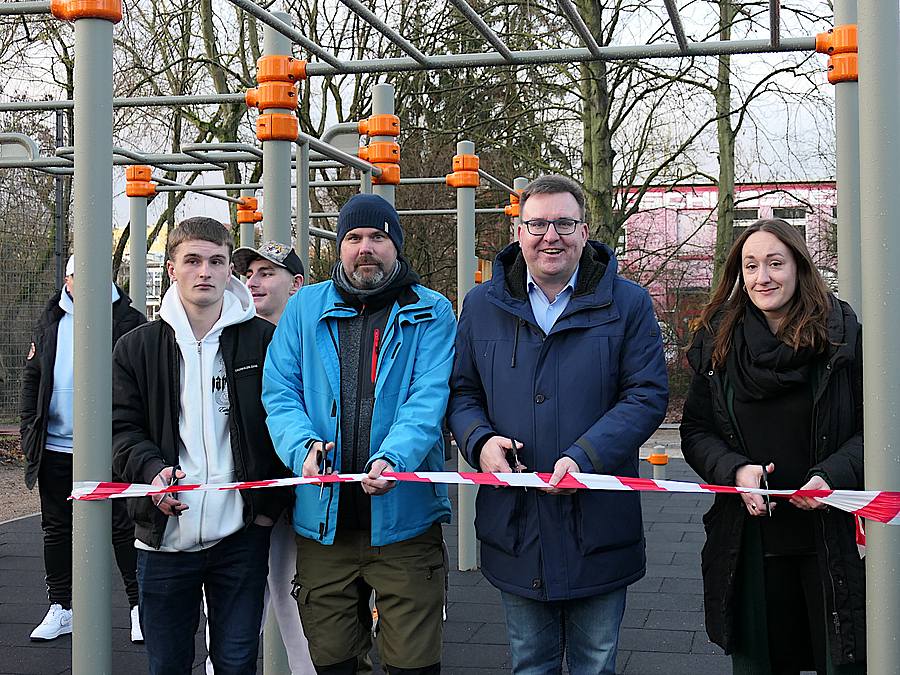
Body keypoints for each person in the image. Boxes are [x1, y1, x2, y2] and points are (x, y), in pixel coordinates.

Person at [447, 175, 669, 675]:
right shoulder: (481, 306)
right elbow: (462, 393)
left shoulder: (627, 304)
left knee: (596, 663)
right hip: (517, 524)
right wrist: (479, 442)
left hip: (598, 521)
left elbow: (648, 394)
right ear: (518, 233)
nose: (551, 235)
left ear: (585, 231)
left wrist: (585, 457)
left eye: (564, 223)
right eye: (537, 223)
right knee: (531, 663)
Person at [262, 193, 455, 675]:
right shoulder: (304, 308)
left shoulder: (432, 311)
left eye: (377, 237)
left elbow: (428, 400)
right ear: (340, 247)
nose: (365, 247)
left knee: (413, 664)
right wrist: (302, 450)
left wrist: (394, 457)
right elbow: (280, 392)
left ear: (396, 245)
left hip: (405, 523)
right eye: (354, 238)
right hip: (324, 526)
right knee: (333, 663)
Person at [680, 218, 865, 675]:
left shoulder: (844, 337)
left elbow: (877, 431)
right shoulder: (717, 341)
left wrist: (833, 477)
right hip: (750, 543)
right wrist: (735, 471)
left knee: (844, 659)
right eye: (751, 266)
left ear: (799, 267)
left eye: (775, 263)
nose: (763, 277)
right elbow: (697, 431)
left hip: (831, 542)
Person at [111, 217, 291, 675]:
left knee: (236, 663)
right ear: (172, 268)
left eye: (216, 261)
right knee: (168, 664)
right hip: (163, 540)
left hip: (241, 536)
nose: (205, 272)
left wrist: (264, 512)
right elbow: (122, 429)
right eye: (192, 260)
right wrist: (153, 472)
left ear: (230, 269)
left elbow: (283, 427)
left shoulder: (264, 343)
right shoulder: (137, 347)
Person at [195, 240, 309, 675]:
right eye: (249, 273)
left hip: (294, 497)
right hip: (240, 499)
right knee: (228, 612)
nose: (253, 281)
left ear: (296, 284)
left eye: (267, 272)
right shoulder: (227, 339)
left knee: (294, 601)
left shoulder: (314, 340)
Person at [20, 254, 146, 642]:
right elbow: (32, 377)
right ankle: (62, 607)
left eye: (87, 277)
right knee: (56, 530)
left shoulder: (129, 321)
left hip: (110, 447)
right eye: (73, 277)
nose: (78, 284)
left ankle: (139, 606)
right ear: (68, 280)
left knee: (123, 528)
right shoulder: (50, 321)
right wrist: (30, 433)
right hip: (56, 447)